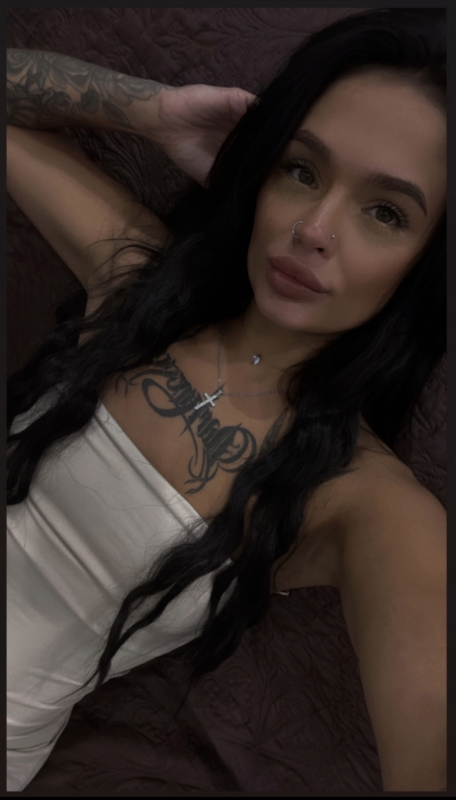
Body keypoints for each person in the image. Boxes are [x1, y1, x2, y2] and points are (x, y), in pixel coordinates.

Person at [6, 8, 446, 793]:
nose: (314, 228)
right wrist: (149, 111)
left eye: (386, 212)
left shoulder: (362, 500)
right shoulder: (139, 285)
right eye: (302, 169)